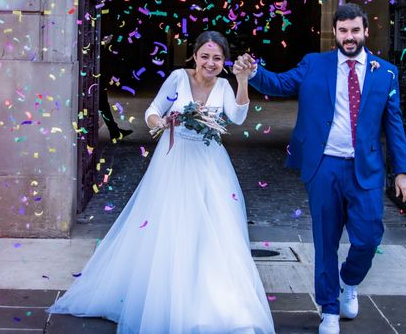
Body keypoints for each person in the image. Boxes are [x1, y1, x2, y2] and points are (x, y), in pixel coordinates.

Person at [48, 31, 274, 334]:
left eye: (217, 58)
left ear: (224, 61)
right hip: (175, 161)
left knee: (213, 232)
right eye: (205, 56)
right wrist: (162, 123)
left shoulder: (223, 85)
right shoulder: (178, 79)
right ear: (194, 56)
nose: (210, 63)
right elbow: (153, 111)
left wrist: (243, 81)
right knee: (173, 228)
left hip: (210, 164)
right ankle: (168, 298)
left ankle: (213, 301)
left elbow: (237, 117)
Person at [233, 4, 406, 334]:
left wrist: (403, 170)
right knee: (325, 241)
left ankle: (349, 280)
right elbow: (280, 84)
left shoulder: (385, 72)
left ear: (365, 32)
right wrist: (254, 72)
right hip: (325, 166)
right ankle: (329, 308)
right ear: (335, 33)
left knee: (369, 236)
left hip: (366, 170)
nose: (349, 37)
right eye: (343, 31)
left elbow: (394, 123)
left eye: (355, 30)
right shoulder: (314, 65)